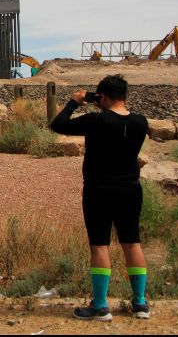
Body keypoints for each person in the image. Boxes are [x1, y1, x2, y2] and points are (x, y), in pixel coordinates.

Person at [50, 74, 150, 321]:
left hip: (99, 190)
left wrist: (75, 102)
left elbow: (58, 124)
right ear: (125, 95)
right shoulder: (141, 122)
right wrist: (102, 104)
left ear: (102, 96)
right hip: (130, 189)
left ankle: (101, 305)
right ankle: (140, 303)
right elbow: (118, 121)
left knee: (100, 244)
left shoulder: (96, 120)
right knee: (132, 242)